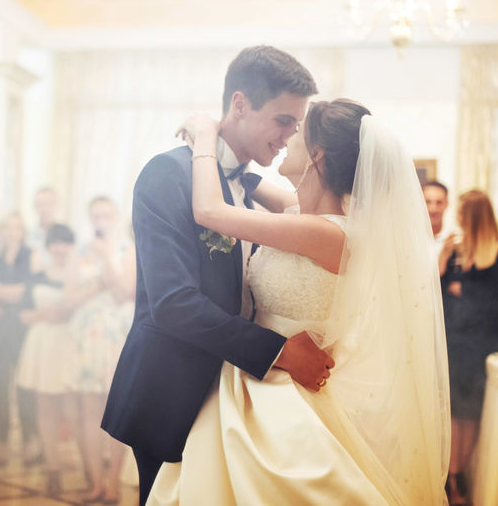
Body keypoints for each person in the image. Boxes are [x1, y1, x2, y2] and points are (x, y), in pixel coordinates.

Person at [147, 100, 450, 505]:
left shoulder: (325, 233)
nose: (289, 137)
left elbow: (209, 210)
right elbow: (249, 186)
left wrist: (205, 134)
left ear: (318, 154)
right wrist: (235, 158)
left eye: (299, 131)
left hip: (287, 388)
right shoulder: (302, 215)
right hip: (259, 371)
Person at [101, 46, 330, 506]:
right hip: (174, 390)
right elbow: (173, 305)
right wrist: (280, 351)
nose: (290, 135)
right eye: (283, 120)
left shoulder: (247, 185)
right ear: (240, 104)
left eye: (296, 125)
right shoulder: (169, 175)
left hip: (238, 395)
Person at [16, 224, 100, 495]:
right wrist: (45, 315)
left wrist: (62, 311)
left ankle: (91, 470)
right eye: (55, 243)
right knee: (46, 408)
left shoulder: (83, 274)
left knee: (74, 410)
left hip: (71, 342)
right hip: (42, 343)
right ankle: (52, 469)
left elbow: (86, 306)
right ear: (48, 247)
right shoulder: (36, 275)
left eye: (65, 243)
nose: (60, 248)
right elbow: (23, 315)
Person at [439, 189, 498, 506]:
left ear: (474, 215)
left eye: (462, 213)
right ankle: (453, 478)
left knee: (474, 413)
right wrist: (446, 260)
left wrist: (460, 284)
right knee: (455, 412)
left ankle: (461, 473)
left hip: (485, 340)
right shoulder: (456, 248)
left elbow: (485, 288)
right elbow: (441, 289)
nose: (457, 218)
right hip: (457, 337)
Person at [71, 197, 135, 504]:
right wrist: (96, 284)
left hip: (116, 336)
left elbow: (125, 291)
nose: (101, 220)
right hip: (87, 335)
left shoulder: (127, 248)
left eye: (106, 215)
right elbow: (70, 297)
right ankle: (95, 483)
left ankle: (114, 484)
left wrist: (107, 256)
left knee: (115, 411)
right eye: (95, 215)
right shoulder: (80, 251)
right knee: (89, 412)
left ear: (116, 216)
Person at [0, 212, 39, 467]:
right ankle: (1, 443)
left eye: (16, 227)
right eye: (7, 227)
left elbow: (29, 290)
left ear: (22, 231)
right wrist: (11, 293)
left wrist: (8, 294)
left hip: (23, 328)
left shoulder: (31, 255)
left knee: (24, 386)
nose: (12, 232)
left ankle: (31, 440)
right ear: (1, 231)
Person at [424, 180, 453, 259]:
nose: (433, 209)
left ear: (446, 204)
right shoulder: (410, 238)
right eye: (428, 202)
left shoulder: (454, 238)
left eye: (439, 202)